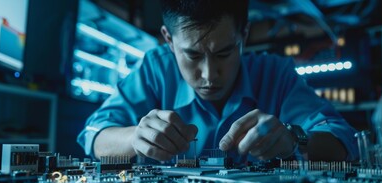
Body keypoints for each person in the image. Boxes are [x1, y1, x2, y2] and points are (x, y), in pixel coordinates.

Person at [77, 0, 358, 164]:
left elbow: (344, 139)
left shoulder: (276, 74)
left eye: (224, 52)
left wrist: (295, 139)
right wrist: (134, 138)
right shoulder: (155, 68)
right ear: (169, 40)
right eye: (193, 54)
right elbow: (93, 133)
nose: (210, 75)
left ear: (244, 36)